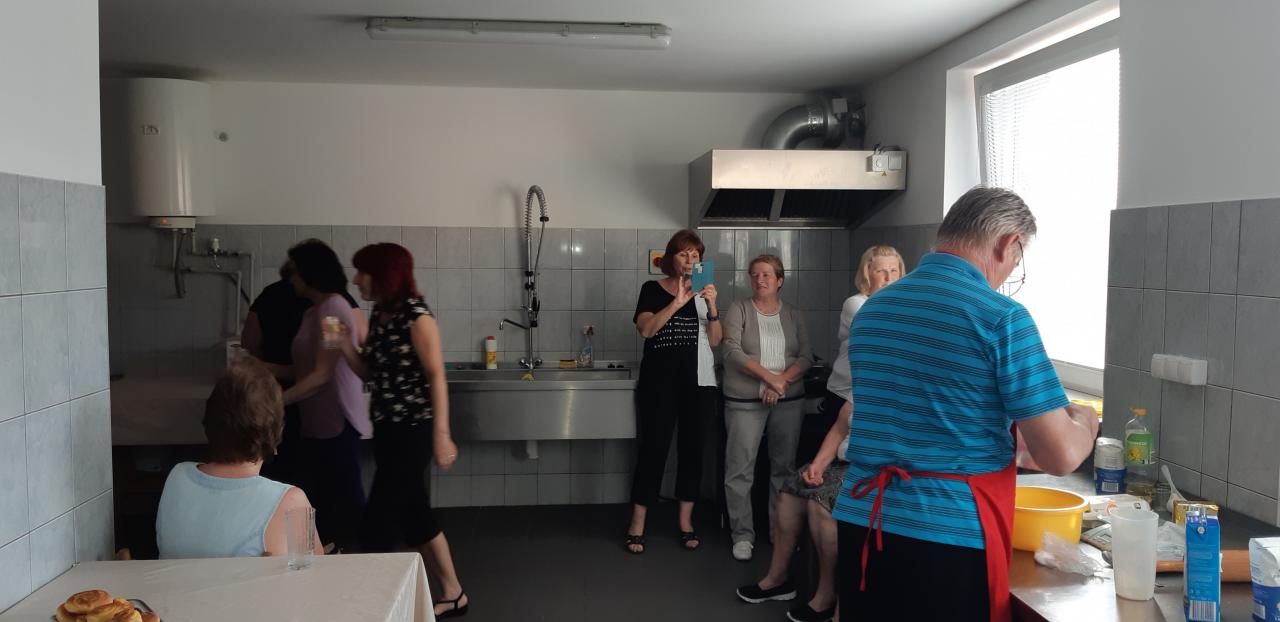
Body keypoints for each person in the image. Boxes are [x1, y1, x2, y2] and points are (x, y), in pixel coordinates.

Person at [832, 187, 1098, 621]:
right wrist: (1084, 421)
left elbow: (916, 411)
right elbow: (1060, 455)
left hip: (864, 521)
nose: (1010, 273)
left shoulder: (873, 312)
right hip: (947, 534)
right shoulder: (1001, 317)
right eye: (1017, 261)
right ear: (1007, 244)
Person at [735, 245, 903, 622]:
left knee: (821, 503)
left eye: (894, 271)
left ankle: (826, 597)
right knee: (793, 487)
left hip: (872, 471)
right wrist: (818, 464)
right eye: (881, 271)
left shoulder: (900, 382)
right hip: (845, 459)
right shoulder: (864, 373)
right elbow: (842, 424)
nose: (888, 277)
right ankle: (778, 579)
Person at [336, 242, 468, 619]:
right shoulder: (380, 314)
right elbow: (371, 372)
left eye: (362, 272)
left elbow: (437, 376)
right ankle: (454, 593)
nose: (356, 279)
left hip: (413, 431)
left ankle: (374, 606)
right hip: (387, 430)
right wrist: (344, 345)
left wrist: (441, 435)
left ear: (383, 275)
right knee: (415, 515)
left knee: (376, 524)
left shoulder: (417, 317)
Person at [156, 359, 323, 559]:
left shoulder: (177, 476)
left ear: (210, 422)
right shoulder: (290, 501)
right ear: (274, 433)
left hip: (173, 581)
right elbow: (314, 573)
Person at [625, 229, 721, 554]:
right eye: (683, 254)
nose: (690, 260)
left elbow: (716, 340)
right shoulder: (651, 289)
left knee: (693, 451)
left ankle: (685, 522)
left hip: (698, 384)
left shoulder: (704, 294)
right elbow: (646, 330)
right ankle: (637, 523)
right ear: (671, 259)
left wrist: (712, 305)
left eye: (695, 255)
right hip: (659, 383)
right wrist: (677, 301)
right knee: (653, 450)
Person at [275, 240, 371, 552]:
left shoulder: (332, 309)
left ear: (310, 273)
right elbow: (305, 368)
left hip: (336, 420)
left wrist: (275, 403)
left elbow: (323, 374)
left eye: (294, 271)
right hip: (317, 423)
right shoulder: (313, 312)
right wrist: (260, 367)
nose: (290, 278)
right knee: (323, 496)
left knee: (343, 498)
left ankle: (357, 557)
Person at [242, 257, 367, 488]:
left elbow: (324, 371)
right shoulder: (318, 310)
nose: (291, 284)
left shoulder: (330, 307)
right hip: (313, 411)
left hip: (325, 413)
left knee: (311, 482)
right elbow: (354, 341)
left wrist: (275, 398)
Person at [721, 254, 813, 562]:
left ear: (780, 280)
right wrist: (769, 378)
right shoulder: (739, 309)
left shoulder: (795, 314)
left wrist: (780, 382)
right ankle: (742, 535)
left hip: (788, 401)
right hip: (745, 402)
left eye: (766, 275)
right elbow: (731, 350)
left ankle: (779, 532)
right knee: (739, 470)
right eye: (755, 275)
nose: (760, 280)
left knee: (783, 469)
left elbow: (806, 357)